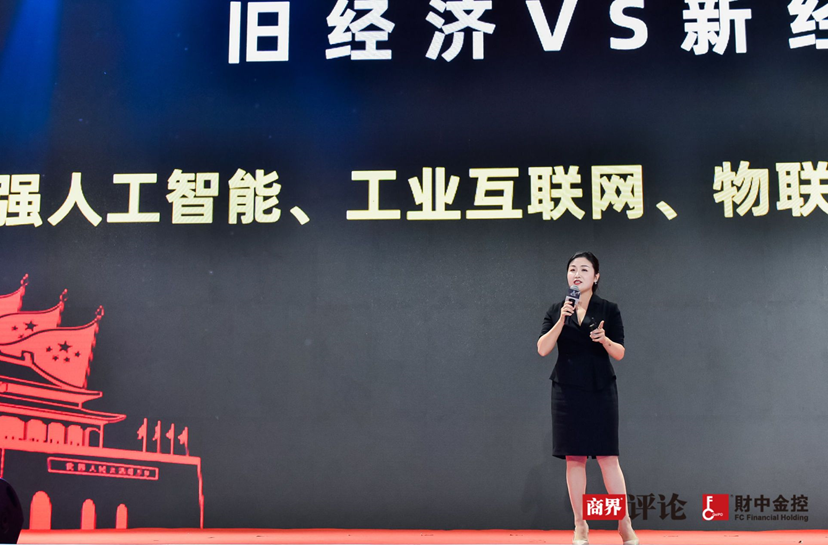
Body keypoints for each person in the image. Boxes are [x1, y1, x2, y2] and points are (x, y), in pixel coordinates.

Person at [537, 252, 638, 545]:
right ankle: (580, 525)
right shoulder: (557, 309)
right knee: (574, 458)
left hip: (600, 387)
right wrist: (561, 319)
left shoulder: (609, 309)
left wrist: (604, 340)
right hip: (566, 390)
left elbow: (620, 352)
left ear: (596, 277)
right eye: (572, 269)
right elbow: (542, 348)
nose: (577, 274)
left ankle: (624, 523)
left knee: (608, 458)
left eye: (584, 269)